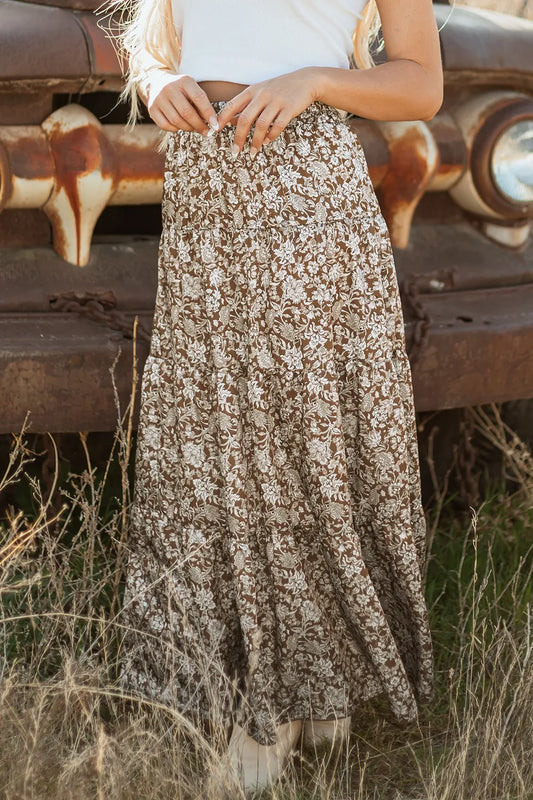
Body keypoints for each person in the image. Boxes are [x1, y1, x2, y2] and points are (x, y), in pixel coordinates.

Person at [108, 0, 443, 793]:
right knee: (216, 433)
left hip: (304, 188)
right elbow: (152, 40)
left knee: (294, 435)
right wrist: (155, 82)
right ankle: (305, 685)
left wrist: (315, 80)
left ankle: (281, 706)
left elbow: (421, 85)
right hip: (204, 193)